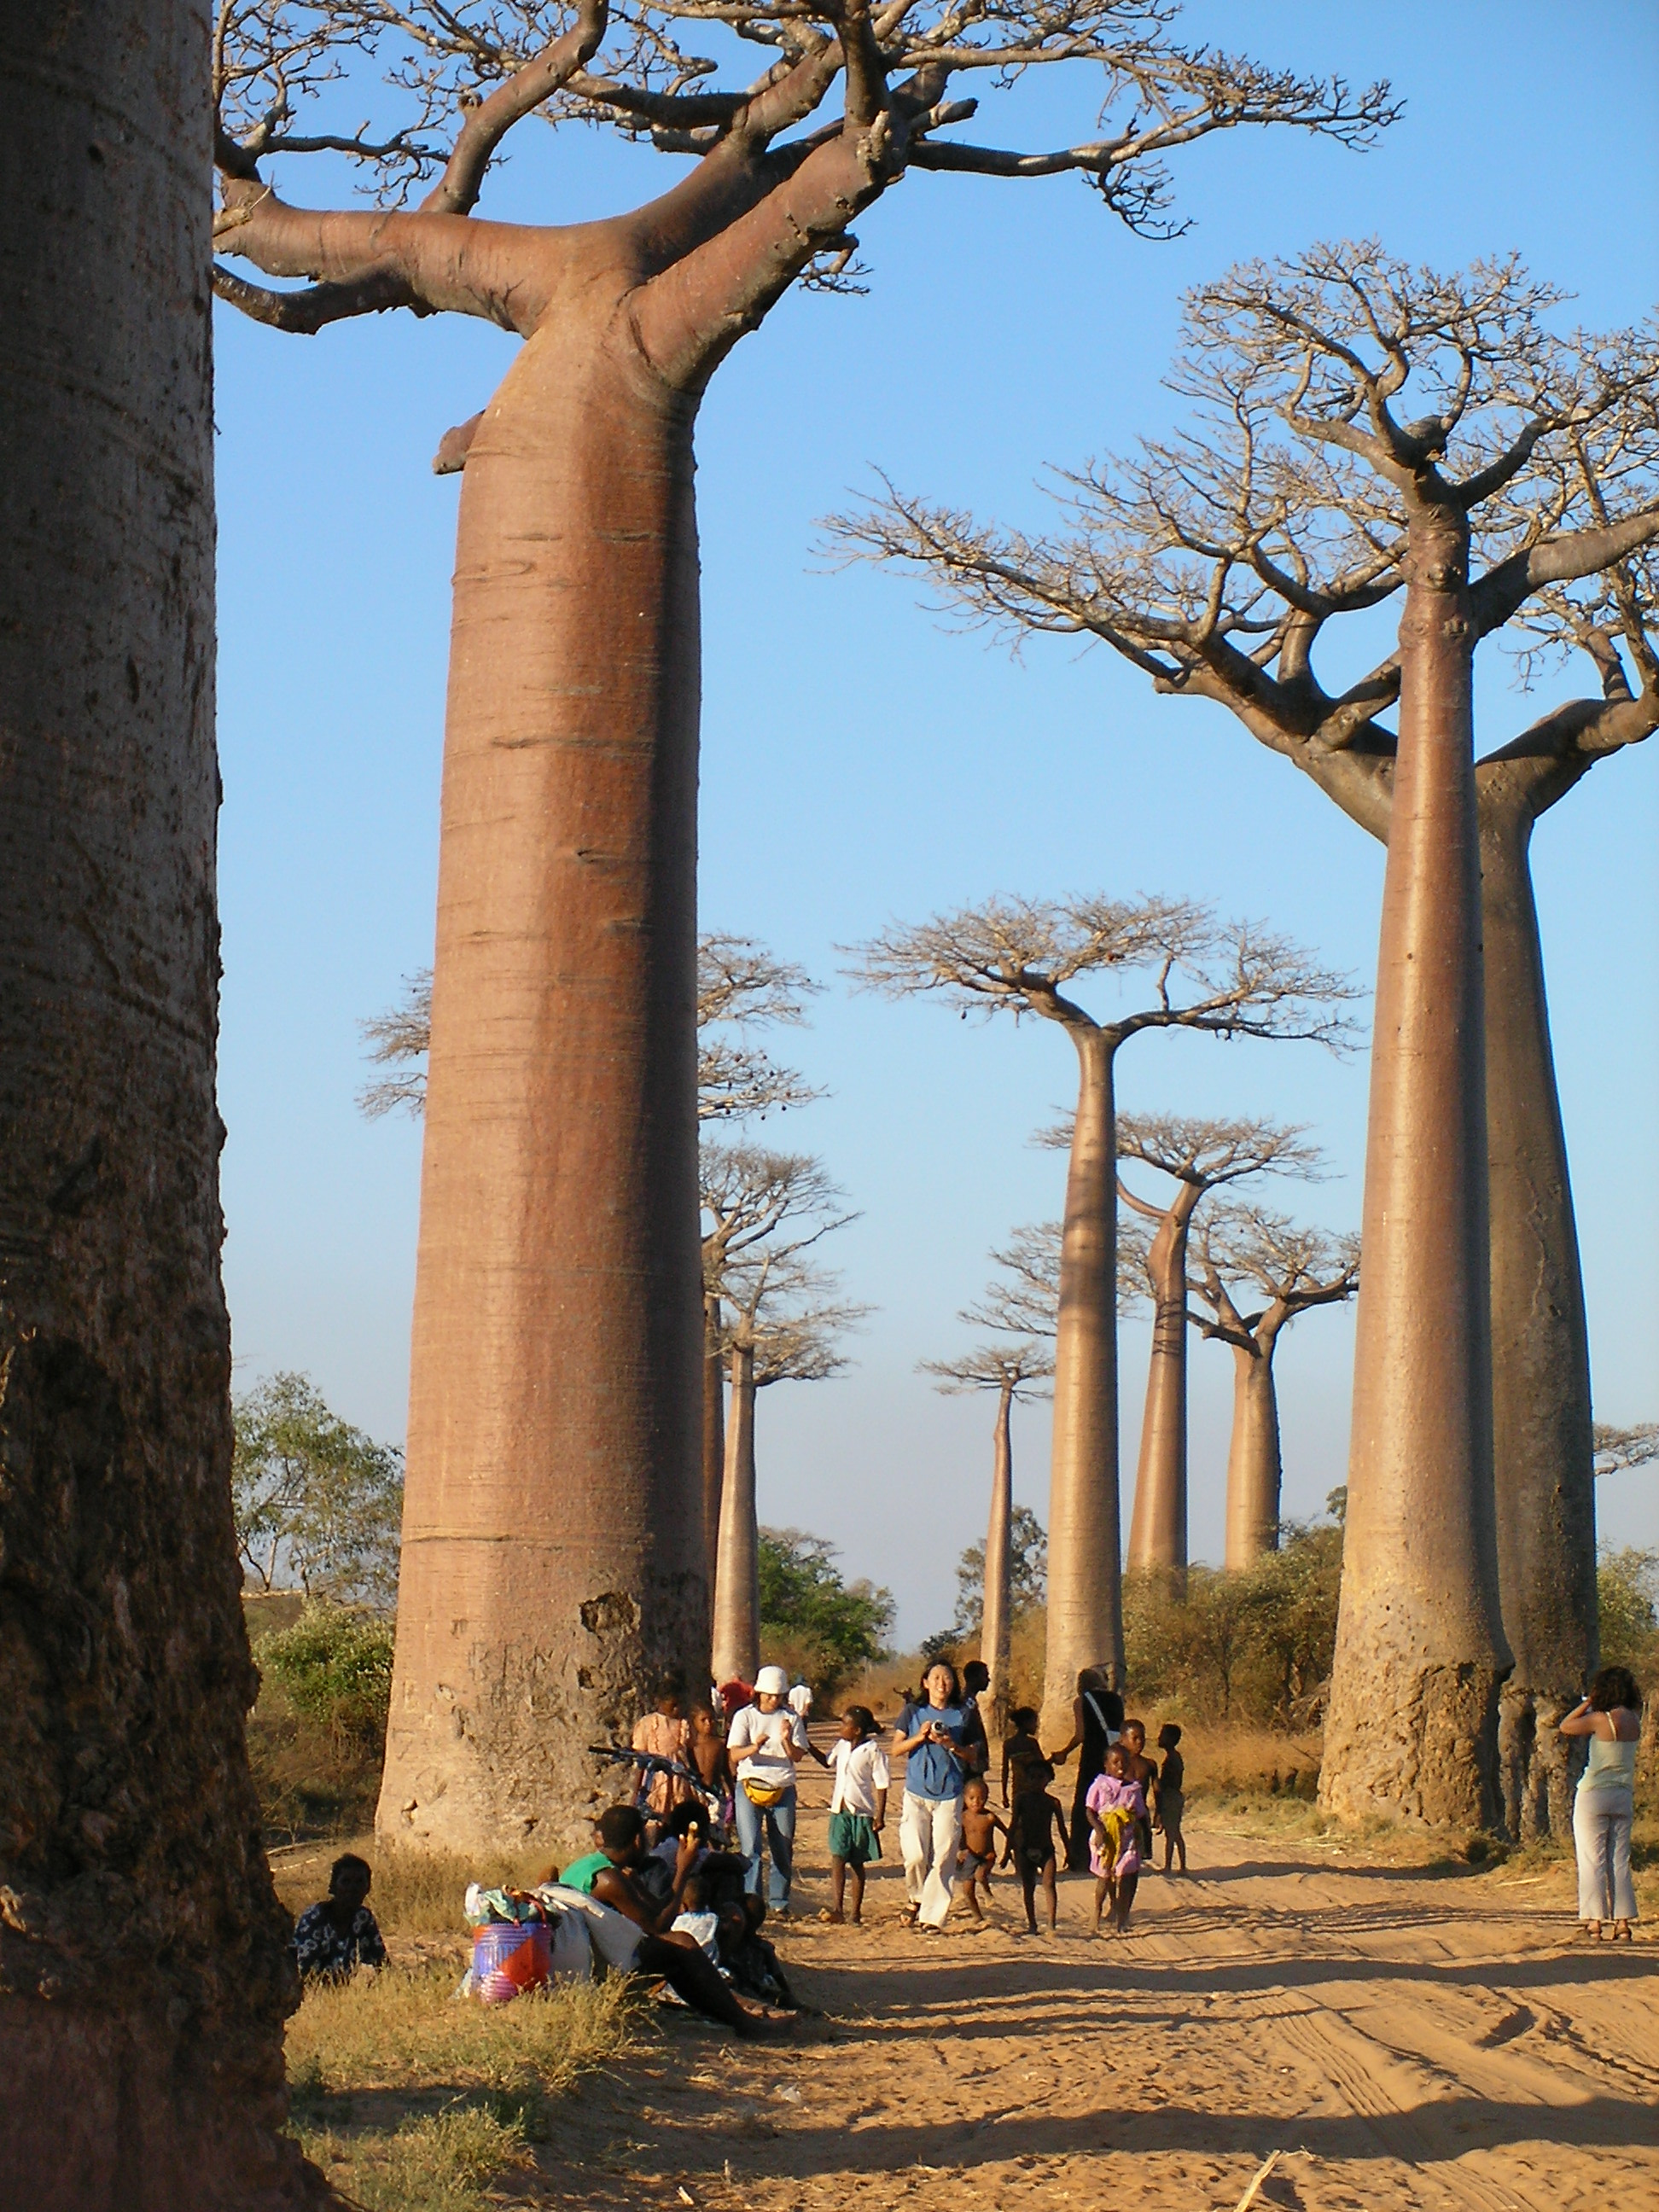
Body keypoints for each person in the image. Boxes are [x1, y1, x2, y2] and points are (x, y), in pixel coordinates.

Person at [549, 1804, 775, 2031]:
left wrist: (637, 1885)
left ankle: (733, 2015)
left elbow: (654, 1911)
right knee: (681, 1943)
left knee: (675, 1948)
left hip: (588, 1958)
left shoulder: (588, 1866)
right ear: (638, 1840)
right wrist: (684, 1870)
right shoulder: (609, 1880)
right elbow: (658, 1926)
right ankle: (745, 2024)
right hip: (601, 1970)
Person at [1559, 1665, 1642, 1941]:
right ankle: (1623, 1924)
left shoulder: (1599, 1719)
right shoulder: (1634, 1719)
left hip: (1594, 1794)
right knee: (1619, 1860)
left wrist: (1588, 1702)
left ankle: (1594, 1924)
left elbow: (1565, 1726)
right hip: (1623, 1795)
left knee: (1591, 1860)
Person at [894, 1660, 971, 1931]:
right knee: (914, 1854)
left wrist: (952, 1745)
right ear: (925, 1683)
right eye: (936, 1678)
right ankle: (916, 1897)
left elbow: (975, 1755)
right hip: (916, 1792)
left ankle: (932, 1917)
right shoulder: (912, 1711)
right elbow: (895, 1749)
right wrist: (919, 1737)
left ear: (954, 1684)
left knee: (945, 1854)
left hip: (950, 1792)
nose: (942, 1683)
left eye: (947, 1678)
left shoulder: (964, 1713)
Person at [726, 1663, 807, 1914]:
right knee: (750, 1848)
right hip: (750, 1784)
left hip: (782, 1786)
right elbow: (734, 1753)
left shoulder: (791, 1719)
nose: (773, 1700)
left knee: (782, 1847)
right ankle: (752, 1901)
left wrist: (785, 1740)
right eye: (769, 1695)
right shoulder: (744, 1716)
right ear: (759, 1693)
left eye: (778, 1695)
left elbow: (798, 1756)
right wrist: (754, 1747)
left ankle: (779, 1902)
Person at [1048, 1666, 1123, 1871]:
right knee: (1112, 1803)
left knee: (1086, 1804)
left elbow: (1081, 1734)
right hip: (1116, 1757)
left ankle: (1081, 1858)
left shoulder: (1082, 1701)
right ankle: (1113, 1856)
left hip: (1093, 1755)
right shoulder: (1117, 1700)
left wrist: (1064, 1752)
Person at [824, 1704, 889, 1924]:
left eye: (845, 1724)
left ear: (857, 1730)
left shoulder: (873, 1751)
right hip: (839, 1811)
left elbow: (882, 1784)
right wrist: (804, 1745)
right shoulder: (841, 1746)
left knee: (857, 1862)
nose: (841, 1727)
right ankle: (837, 1908)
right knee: (837, 1858)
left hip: (861, 1813)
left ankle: (855, 1911)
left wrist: (880, 1816)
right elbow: (826, 1762)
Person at [293, 1853, 387, 1983]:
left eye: (360, 1882)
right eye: (345, 1882)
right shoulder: (315, 1918)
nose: (353, 1889)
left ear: (368, 1887)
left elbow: (382, 1963)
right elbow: (300, 1971)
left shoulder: (363, 1919)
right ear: (332, 1886)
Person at [1086, 1743, 1146, 1937]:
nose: (1121, 1766)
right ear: (1106, 1764)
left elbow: (1139, 1814)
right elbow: (1090, 1811)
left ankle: (1122, 1918)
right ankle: (1096, 1911)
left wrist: (1141, 1836)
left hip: (1127, 1839)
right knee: (1104, 1877)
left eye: (1124, 1762)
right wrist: (1099, 1830)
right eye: (1115, 1762)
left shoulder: (1133, 1789)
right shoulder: (1099, 1785)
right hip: (1106, 1837)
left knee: (1125, 1876)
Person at [1004, 1778, 1066, 1936]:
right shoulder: (1021, 1800)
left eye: (1040, 1778)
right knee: (1028, 1886)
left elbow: (1062, 1828)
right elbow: (1013, 1824)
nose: (1035, 1782)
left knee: (1049, 1883)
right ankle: (1032, 1924)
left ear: (1047, 1780)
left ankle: (1051, 1924)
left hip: (1046, 1848)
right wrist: (1007, 1851)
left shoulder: (1053, 1802)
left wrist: (1069, 1851)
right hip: (1025, 1848)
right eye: (1032, 1777)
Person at [632, 1674, 695, 1817]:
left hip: (679, 1781)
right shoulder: (648, 1724)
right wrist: (636, 1792)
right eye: (673, 1705)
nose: (677, 1709)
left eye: (680, 1704)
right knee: (655, 1819)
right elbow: (641, 1760)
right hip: (655, 1781)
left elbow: (689, 1755)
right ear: (660, 1702)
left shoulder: (683, 1725)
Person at [953, 1777, 1006, 1924]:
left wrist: (1008, 1853)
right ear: (964, 1798)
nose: (976, 1802)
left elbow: (1007, 1833)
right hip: (970, 1856)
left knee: (980, 1875)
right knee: (967, 1890)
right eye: (971, 1798)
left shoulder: (989, 1817)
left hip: (987, 1856)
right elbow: (957, 1837)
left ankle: (987, 1891)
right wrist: (959, 1851)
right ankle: (977, 1915)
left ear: (987, 1798)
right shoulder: (962, 1817)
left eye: (981, 1798)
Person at [1119, 1717, 1157, 1869]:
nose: (1139, 1742)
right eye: (1134, 1738)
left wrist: (1158, 1813)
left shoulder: (1149, 1764)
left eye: (1142, 1738)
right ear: (1123, 1740)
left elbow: (1157, 1790)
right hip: (1120, 1814)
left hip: (1141, 1813)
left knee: (1139, 1852)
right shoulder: (1117, 1764)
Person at [687, 1702, 734, 1824]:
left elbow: (726, 1771)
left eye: (711, 1719)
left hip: (715, 1791)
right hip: (695, 1793)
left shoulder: (719, 1744)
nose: (708, 1723)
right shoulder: (690, 1746)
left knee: (716, 1829)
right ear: (694, 1722)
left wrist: (733, 1794)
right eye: (703, 1720)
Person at [1001, 1706, 1051, 1807]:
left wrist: (1004, 1794)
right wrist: (1053, 1759)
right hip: (1034, 1789)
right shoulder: (1031, 1743)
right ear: (1026, 1723)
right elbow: (1043, 1765)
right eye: (1034, 1722)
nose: (1036, 1726)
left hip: (1017, 1789)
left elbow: (1005, 1771)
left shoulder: (1008, 1744)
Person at [1154, 1722, 1187, 1874]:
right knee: (1175, 1833)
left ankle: (1169, 1866)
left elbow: (1173, 1781)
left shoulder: (1172, 1758)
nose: (1159, 1738)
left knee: (1171, 1833)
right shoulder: (1174, 1757)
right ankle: (1181, 1866)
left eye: (1163, 1735)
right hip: (1173, 1795)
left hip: (1171, 1796)